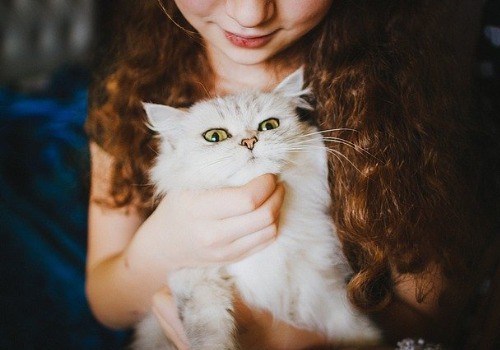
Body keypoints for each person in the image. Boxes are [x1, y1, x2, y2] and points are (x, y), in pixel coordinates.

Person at [84, 0, 496, 348]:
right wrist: (161, 247)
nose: (249, 13)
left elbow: (429, 324)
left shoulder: (407, 103)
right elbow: (107, 304)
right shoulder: (125, 89)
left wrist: (281, 340)